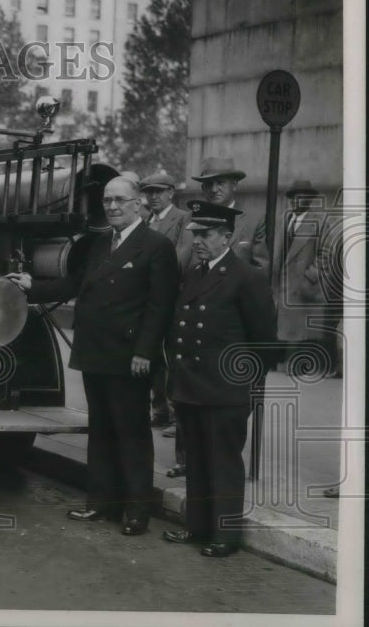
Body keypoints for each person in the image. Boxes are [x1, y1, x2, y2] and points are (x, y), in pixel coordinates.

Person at [7, 176, 179, 535]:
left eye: (120, 200)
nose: (112, 207)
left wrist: (145, 352)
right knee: (101, 431)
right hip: (95, 351)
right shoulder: (102, 243)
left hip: (130, 357)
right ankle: (100, 503)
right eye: (107, 201)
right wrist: (32, 286)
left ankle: (136, 511)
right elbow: (76, 284)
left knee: (132, 434)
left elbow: (160, 307)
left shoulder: (156, 245)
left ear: (138, 205)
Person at [162, 201, 277, 557]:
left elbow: (264, 343)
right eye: (195, 233)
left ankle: (226, 536)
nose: (197, 240)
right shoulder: (195, 274)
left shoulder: (246, 276)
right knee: (196, 459)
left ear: (227, 237)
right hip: (191, 386)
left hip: (224, 389)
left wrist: (242, 385)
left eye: (206, 234)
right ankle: (198, 527)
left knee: (223, 462)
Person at [141, 172, 193, 436]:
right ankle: (159, 409)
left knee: (171, 356)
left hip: (171, 296)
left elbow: (181, 258)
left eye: (159, 191)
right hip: (147, 298)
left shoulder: (184, 219)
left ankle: (175, 414)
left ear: (171, 193)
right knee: (152, 355)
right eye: (149, 192)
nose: (154, 196)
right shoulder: (146, 221)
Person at [273, 179, 328, 372]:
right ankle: (286, 362)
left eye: (302, 196)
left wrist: (311, 276)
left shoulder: (319, 221)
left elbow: (325, 253)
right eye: (294, 196)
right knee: (286, 325)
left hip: (302, 283)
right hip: (283, 281)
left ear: (310, 199)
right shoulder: (284, 219)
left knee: (300, 328)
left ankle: (295, 363)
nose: (297, 199)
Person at [191, 157, 270, 271]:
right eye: (209, 184)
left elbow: (260, 268)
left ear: (234, 185)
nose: (214, 189)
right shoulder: (191, 218)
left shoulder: (254, 220)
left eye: (220, 183)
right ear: (203, 188)